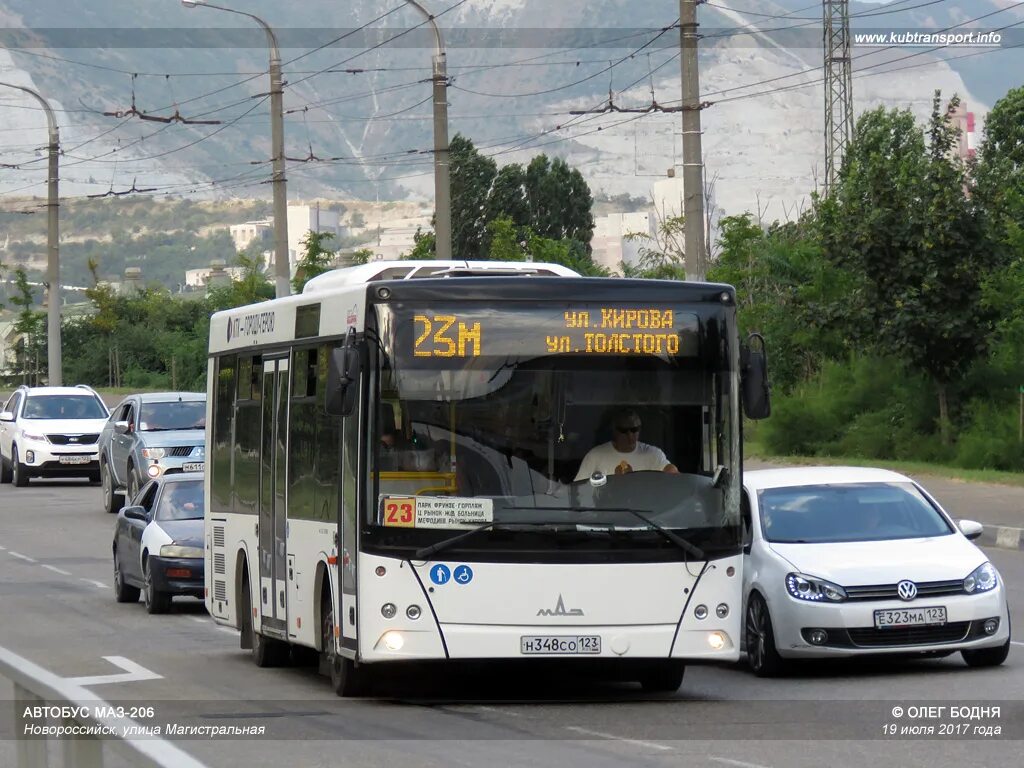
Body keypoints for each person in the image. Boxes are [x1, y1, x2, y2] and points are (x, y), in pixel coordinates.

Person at [575, 407, 678, 481]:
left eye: (634, 430)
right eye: (624, 431)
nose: (630, 435)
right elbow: (579, 489)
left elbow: (672, 473)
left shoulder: (653, 454)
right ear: (614, 430)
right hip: (607, 509)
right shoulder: (595, 456)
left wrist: (671, 470)